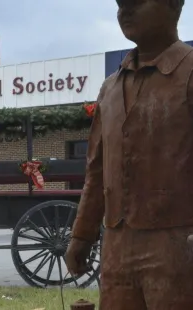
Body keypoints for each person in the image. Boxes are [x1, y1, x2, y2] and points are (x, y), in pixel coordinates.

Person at [64, 0, 193, 309]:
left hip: (178, 248)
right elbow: (96, 172)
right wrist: (81, 236)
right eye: (121, 4)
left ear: (174, 4)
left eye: (137, 2)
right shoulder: (110, 88)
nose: (126, 11)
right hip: (118, 250)